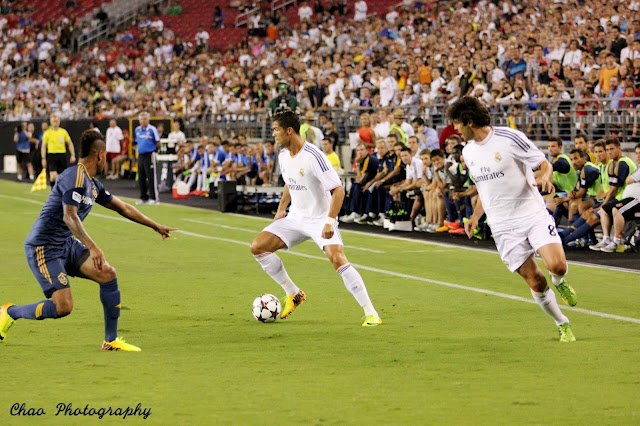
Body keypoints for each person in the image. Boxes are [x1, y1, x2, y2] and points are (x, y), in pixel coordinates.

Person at [0, 130, 177, 351]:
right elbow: (69, 216)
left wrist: (155, 225)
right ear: (100, 155)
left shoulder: (92, 184)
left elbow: (123, 207)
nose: (107, 160)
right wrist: (93, 247)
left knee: (107, 273)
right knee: (63, 307)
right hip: (44, 247)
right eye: (106, 156)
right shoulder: (73, 177)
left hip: (65, 243)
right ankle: (9, 312)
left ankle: (110, 340)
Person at [447, 96, 577, 342]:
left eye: (457, 123)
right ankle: (562, 323)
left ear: (469, 121)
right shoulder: (468, 152)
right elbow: (484, 188)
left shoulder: (509, 138)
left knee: (557, 266)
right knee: (535, 281)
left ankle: (559, 280)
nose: (455, 129)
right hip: (502, 225)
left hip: (531, 213)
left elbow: (544, 163)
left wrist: (545, 176)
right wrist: (475, 216)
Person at [249, 109, 382, 326]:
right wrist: (281, 209)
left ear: (289, 131)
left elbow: (338, 190)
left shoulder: (314, 156)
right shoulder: (283, 155)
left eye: (275, 130)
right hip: (295, 218)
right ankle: (293, 293)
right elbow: (290, 183)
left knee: (337, 259)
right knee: (258, 247)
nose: (273, 134)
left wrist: (329, 221)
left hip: (320, 218)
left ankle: (371, 313)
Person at [134, 112, 161, 205]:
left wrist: (154, 151)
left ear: (148, 120)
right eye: (141, 119)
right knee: (141, 177)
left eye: (145, 119)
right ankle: (143, 197)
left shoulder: (152, 129)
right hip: (140, 155)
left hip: (149, 155)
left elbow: (158, 143)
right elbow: (137, 142)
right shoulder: (137, 130)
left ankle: (154, 198)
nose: (143, 121)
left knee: (151, 176)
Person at [42, 113, 76, 186]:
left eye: (57, 121)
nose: (55, 123)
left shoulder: (63, 132)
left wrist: (72, 155)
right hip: (52, 155)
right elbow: (43, 147)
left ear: (59, 122)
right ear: (51, 122)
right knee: (53, 177)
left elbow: (70, 143)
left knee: (62, 175)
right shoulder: (47, 133)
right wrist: (43, 158)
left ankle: (59, 190)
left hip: (62, 155)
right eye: (54, 121)